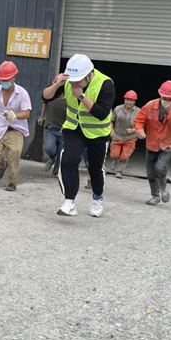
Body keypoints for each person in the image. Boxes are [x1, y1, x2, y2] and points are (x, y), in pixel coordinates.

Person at [42, 54, 115, 218]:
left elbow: (102, 113)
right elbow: (45, 96)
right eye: (72, 80)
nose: (74, 84)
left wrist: (81, 96)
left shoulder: (105, 84)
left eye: (78, 80)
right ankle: (69, 202)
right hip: (74, 129)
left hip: (97, 133)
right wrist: (57, 84)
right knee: (68, 160)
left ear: (89, 75)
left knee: (94, 169)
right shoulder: (68, 81)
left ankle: (97, 198)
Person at [0, 61, 31, 192]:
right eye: (2, 79)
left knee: (13, 156)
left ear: (13, 77)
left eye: (6, 79)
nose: (4, 82)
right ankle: (2, 165)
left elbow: (27, 113)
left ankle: (12, 183)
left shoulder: (22, 93)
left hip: (16, 130)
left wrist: (15, 116)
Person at [134, 80, 171, 205]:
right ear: (160, 95)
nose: (167, 101)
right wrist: (139, 131)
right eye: (164, 98)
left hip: (169, 142)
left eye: (170, 99)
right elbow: (139, 120)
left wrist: (170, 112)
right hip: (152, 142)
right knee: (150, 172)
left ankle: (164, 188)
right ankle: (155, 195)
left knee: (160, 168)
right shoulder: (150, 105)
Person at [109, 90, 140, 179]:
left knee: (124, 157)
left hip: (130, 137)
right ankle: (115, 160)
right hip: (117, 136)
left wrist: (133, 130)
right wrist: (112, 131)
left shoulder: (138, 111)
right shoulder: (118, 109)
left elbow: (142, 125)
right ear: (124, 100)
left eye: (131, 100)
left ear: (135, 101)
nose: (129, 102)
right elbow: (111, 121)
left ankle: (119, 171)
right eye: (127, 100)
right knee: (114, 155)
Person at [38, 93, 66, 177]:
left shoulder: (70, 97)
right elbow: (45, 103)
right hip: (50, 127)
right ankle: (52, 158)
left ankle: (56, 172)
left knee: (61, 153)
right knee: (49, 148)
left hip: (63, 130)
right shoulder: (51, 95)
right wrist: (42, 117)